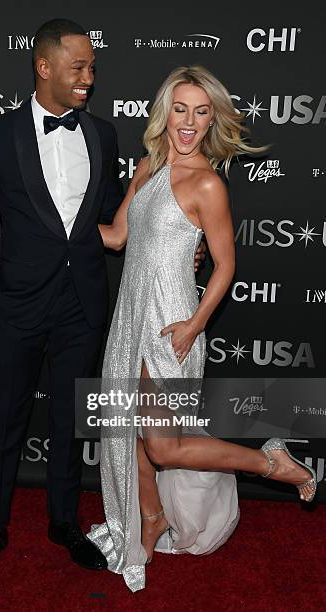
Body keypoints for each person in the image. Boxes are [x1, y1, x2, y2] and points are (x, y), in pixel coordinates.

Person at [87, 65, 317, 592]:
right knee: (130, 439)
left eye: (201, 111)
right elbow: (118, 237)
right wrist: (56, 226)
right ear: (165, 111)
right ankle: (151, 522)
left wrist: (194, 324)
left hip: (172, 323)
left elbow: (226, 265)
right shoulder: (145, 169)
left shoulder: (208, 182)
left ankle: (270, 461)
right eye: (181, 109)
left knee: (163, 446)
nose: (189, 122)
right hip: (129, 319)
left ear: (212, 118)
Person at [0, 18, 126, 582]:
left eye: (93, 68)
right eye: (79, 67)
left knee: (71, 420)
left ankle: (63, 522)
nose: (88, 78)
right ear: (44, 67)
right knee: (6, 421)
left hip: (82, 303)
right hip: (18, 305)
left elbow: (115, 214)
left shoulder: (101, 134)